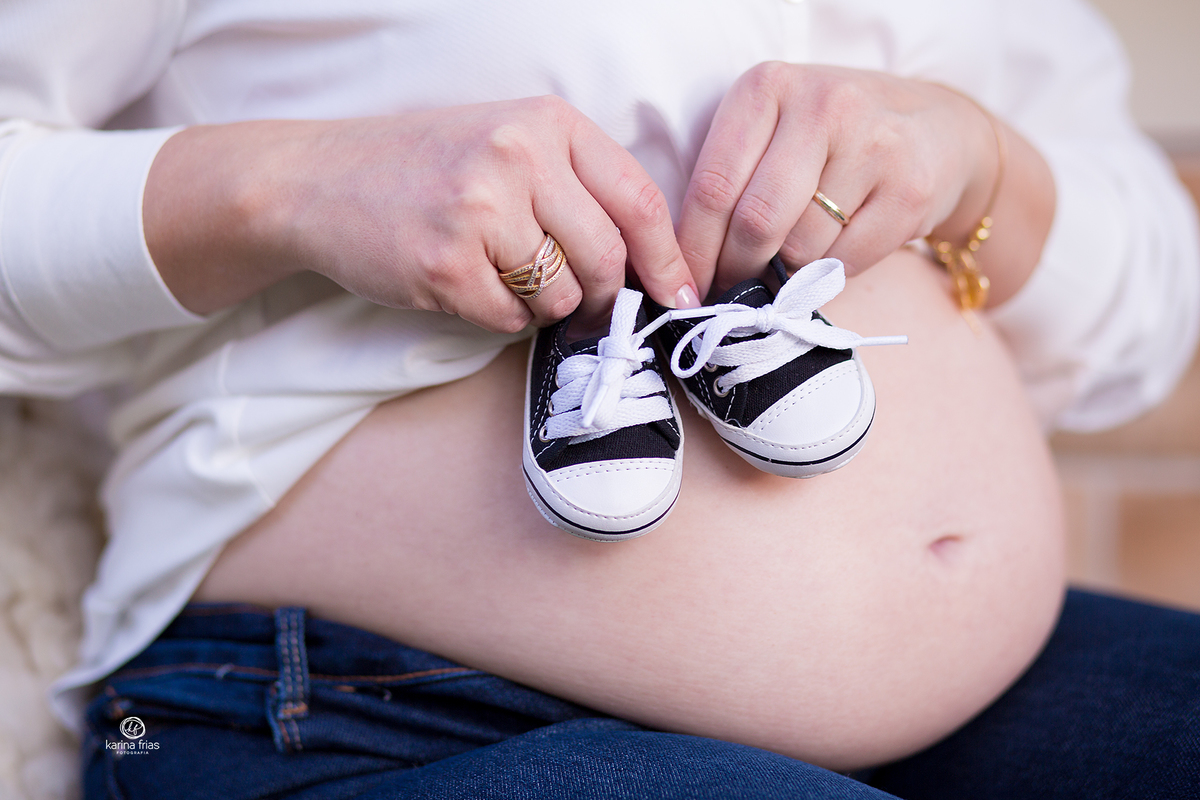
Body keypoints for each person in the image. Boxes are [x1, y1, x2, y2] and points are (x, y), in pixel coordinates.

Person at [0, 0, 1196, 797]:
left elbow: (1148, 308)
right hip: (352, 711)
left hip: (992, 685)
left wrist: (979, 158)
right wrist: (288, 184)